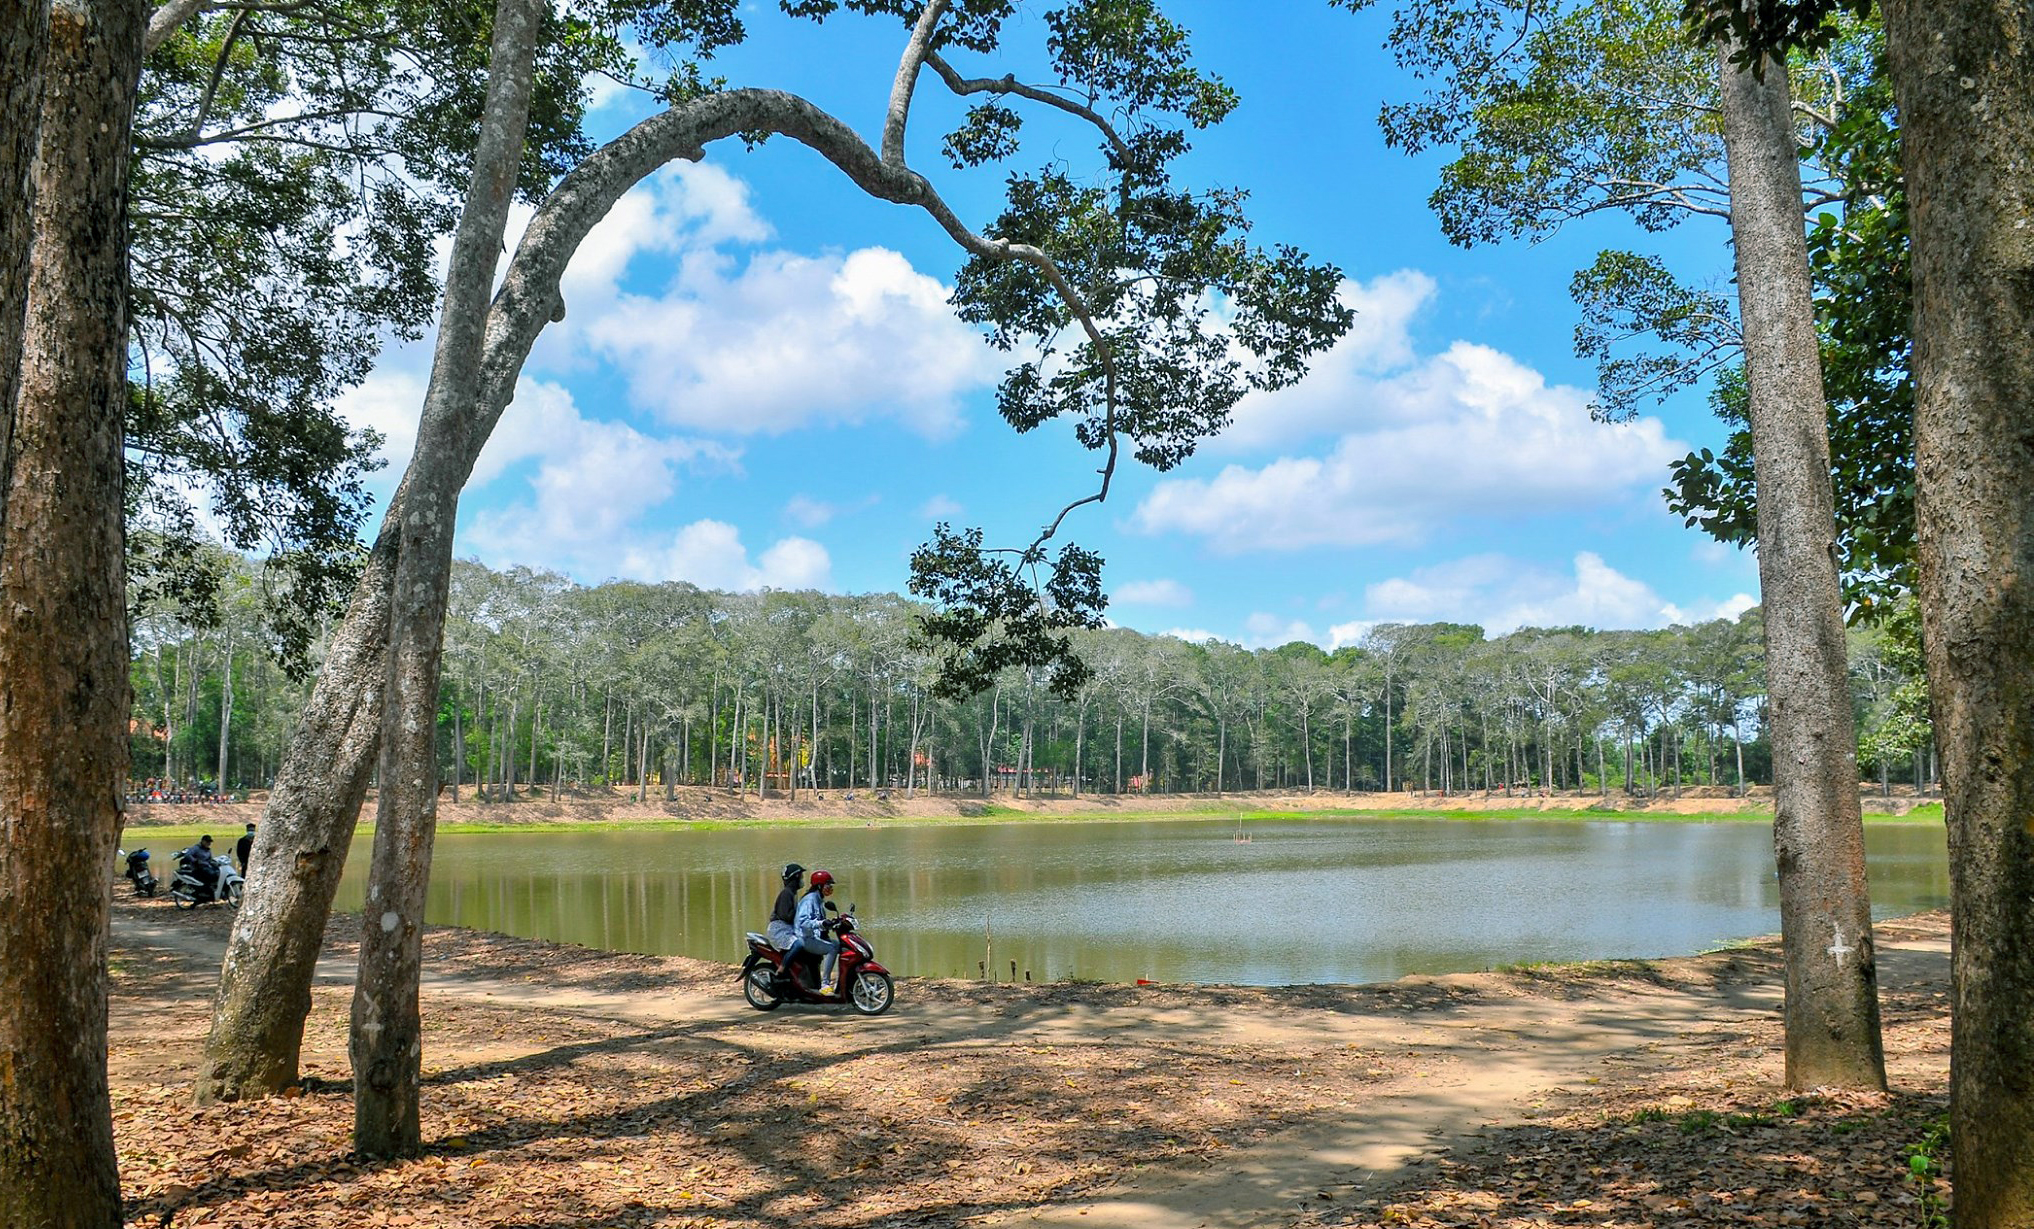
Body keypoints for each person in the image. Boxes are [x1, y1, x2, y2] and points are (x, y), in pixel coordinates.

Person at [795, 869, 841, 993]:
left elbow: (820, 921)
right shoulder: (810, 900)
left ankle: (840, 980)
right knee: (832, 948)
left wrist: (832, 923)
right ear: (819, 886)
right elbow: (804, 923)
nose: (830, 888)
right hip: (805, 938)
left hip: (813, 937)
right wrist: (821, 923)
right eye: (828, 885)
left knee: (839, 945)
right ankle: (825, 984)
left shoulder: (819, 899)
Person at [767, 863, 805, 952]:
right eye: (801, 877)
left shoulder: (792, 893)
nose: (802, 880)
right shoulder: (786, 894)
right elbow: (786, 916)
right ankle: (783, 966)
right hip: (780, 930)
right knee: (798, 944)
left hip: (787, 929)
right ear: (795, 878)